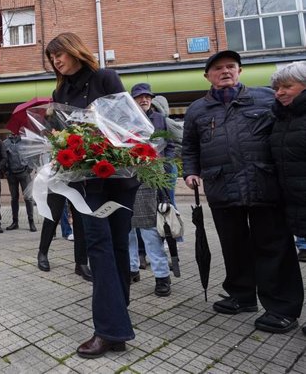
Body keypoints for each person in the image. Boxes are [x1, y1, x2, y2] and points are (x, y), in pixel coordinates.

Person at [183, 50, 303, 334]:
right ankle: (241, 295)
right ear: (207, 76)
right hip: (221, 186)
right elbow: (189, 146)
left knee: (274, 247)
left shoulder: (265, 97)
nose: (225, 71)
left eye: (231, 67)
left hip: (263, 185)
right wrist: (191, 171)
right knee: (233, 245)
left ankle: (282, 309)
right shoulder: (197, 109)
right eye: (218, 68)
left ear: (239, 71)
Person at [45, 32, 138, 358]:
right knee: (98, 247)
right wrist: (56, 140)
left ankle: (118, 313)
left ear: (74, 51)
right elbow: (61, 134)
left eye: (59, 53)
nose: (56, 60)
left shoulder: (105, 78)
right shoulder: (59, 92)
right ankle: (111, 330)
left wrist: (97, 135)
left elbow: (128, 124)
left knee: (117, 245)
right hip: (87, 185)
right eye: (51, 57)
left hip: (119, 179)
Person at [268, 61, 306, 334]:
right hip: (294, 202)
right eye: (276, 88)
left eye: (287, 86)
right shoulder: (282, 117)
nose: (279, 93)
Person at [127, 83, 175, 297]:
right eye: (139, 97)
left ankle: (162, 276)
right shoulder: (124, 119)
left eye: (147, 96)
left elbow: (171, 145)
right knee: (127, 228)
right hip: (127, 178)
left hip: (152, 179)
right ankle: (131, 268)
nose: (144, 100)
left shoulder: (160, 119)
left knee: (150, 229)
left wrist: (165, 164)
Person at [3, 132, 36, 231]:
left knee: (28, 198)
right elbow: (3, 157)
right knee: (14, 198)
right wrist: (6, 171)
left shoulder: (25, 142)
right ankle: (15, 222)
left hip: (24, 173)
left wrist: (28, 169)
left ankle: (31, 222)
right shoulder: (5, 143)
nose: (14, 132)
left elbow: (31, 156)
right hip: (11, 174)